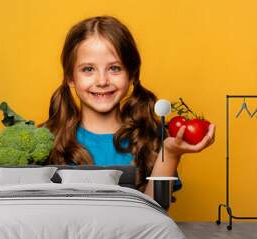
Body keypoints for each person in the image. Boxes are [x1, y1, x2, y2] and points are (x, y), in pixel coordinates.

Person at [39, 16, 215, 198]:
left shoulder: (151, 135)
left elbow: (156, 211)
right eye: (88, 69)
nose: (102, 81)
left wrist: (170, 154)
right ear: (70, 78)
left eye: (114, 68)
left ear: (132, 75)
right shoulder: (47, 139)